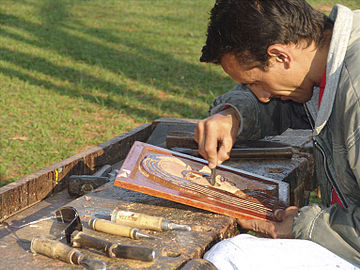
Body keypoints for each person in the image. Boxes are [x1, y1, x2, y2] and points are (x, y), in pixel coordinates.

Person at [195, 0, 360, 268]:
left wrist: (306, 225)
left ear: (281, 55)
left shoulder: (356, 90)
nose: (260, 95)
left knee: (231, 256)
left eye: (255, 82)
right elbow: (288, 108)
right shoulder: (325, 63)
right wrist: (232, 115)